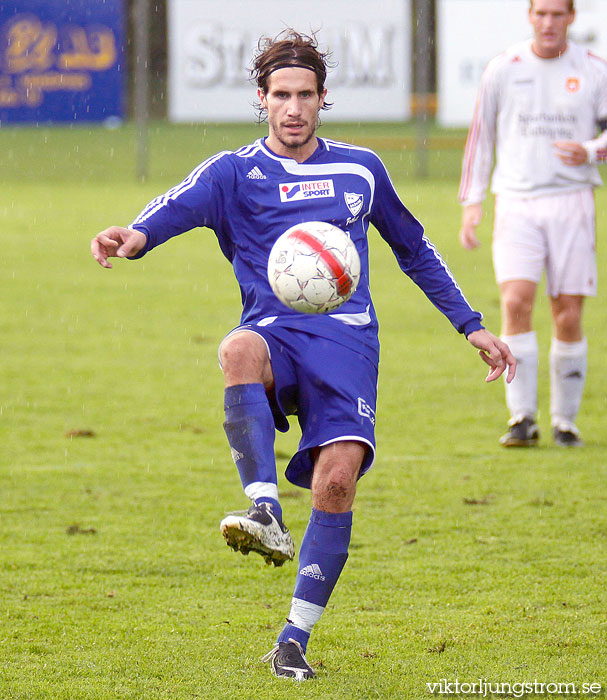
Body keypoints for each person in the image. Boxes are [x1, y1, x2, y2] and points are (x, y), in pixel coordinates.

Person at [91, 31, 515, 681]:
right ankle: (263, 506)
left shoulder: (360, 169)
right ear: (261, 101)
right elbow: (167, 212)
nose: (293, 108)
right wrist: (130, 236)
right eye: (280, 96)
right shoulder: (233, 171)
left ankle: (293, 637)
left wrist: (471, 325)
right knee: (237, 348)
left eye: (305, 95)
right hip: (274, 334)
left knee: (337, 481)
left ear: (323, 99)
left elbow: (414, 250)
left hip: (346, 341)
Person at [458, 0, 607, 448]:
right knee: (517, 301)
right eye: (540, 13)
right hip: (518, 202)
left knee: (567, 312)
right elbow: (481, 136)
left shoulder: (594, 69)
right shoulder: (504, 67)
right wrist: (472, 201)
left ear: (571, 18)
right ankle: (522, 418)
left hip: (571, 200)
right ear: (529, 16)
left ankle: (565, 422)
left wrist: (591, 150)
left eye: (557, 14)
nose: (548, 23)